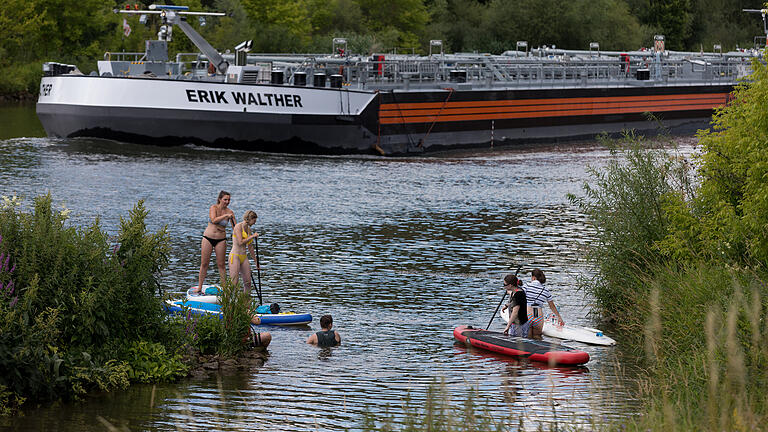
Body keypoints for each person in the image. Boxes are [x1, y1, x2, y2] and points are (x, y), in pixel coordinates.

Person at [196, 191, 235, 294]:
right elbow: (213, 220)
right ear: (220, 199)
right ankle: (199, 287)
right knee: (204, 263)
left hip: (221, 239)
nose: (227, 202)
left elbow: (235, 228)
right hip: (208, 238)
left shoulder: (230, 212)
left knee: (221, 264)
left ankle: (226, 289)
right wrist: (226, 216)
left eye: (229, 200)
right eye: (225, 199)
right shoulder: (214, 208)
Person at [524, 269, 565, 339]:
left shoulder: (526, 286)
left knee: (527, 338)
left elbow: (518, 298)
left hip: (527, 314)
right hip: (537, 315)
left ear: (533, 277)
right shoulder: (545, 290)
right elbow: (552, 306)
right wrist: (559, 318)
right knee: (537, 337)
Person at [229, 210, 259, 292]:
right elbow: (240, 242)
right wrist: (252, 236)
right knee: (234, 283)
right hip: (235, 256)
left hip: (244, 257)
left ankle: (246, 304)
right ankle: (229, 302)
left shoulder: (248, 229)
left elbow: (250, 247)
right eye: (254, 221)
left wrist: (256, 262)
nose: (254, 223)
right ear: (249, 219)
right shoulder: (238, 226)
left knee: (248, 282)